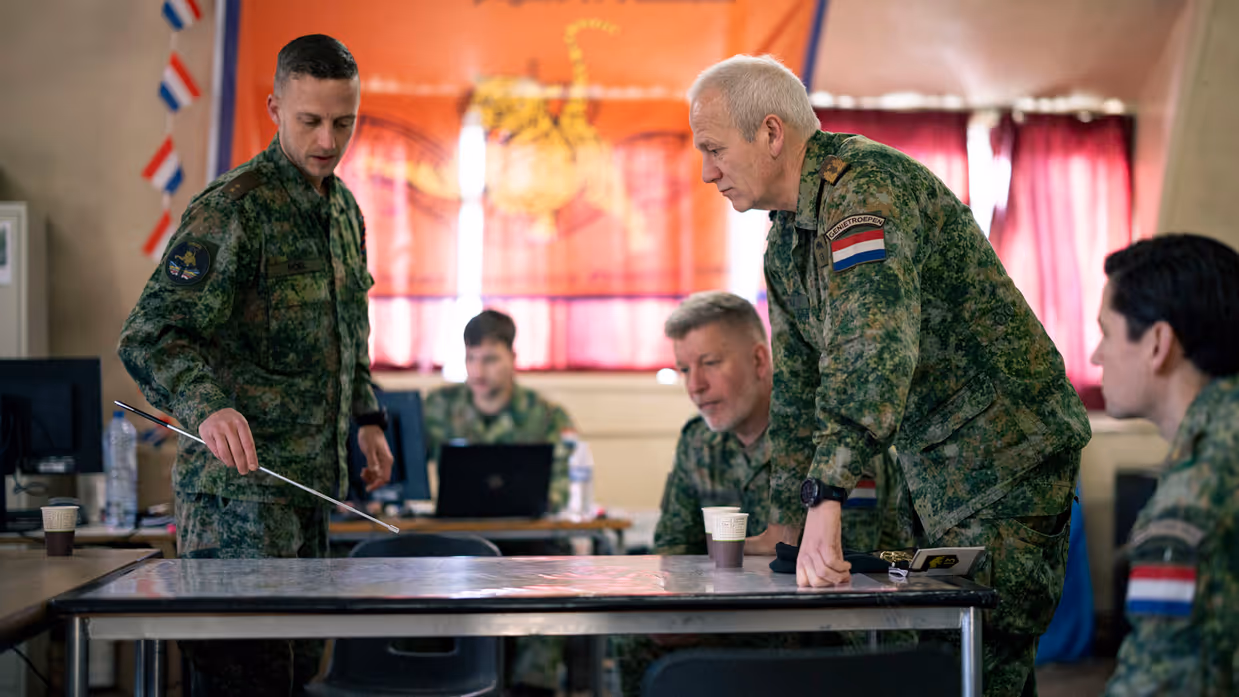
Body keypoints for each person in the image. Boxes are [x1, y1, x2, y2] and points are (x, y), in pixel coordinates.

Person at [687, 55, 1091, 696]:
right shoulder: (786, 239)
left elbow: (871, 353)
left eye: (713, 149)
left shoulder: (866, 196)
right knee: (934, 657)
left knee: (981, 656)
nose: (706, 171)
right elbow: (798, 388)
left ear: (770, 133)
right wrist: (791, 518)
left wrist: (827, 496)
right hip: (932, 469)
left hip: (1003, 462)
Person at [118, 35, 392, 696]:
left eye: (343, 122)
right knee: (246, 681)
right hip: (237, 502)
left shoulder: (343, 211)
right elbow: (150, 333)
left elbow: (347, 333)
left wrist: (367, 418)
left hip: (309, 498)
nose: (328, 139)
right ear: (274, 107)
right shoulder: (234, 207)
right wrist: (208, 403)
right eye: (310, 121)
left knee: (301, 676)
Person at [616, 291, 911, 694]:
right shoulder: (697, 444)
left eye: (710, 363)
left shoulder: (835, 444)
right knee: (633, 639)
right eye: (684, 369)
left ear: (759, 360)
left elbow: (845, 568)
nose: (695, 386)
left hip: (834, 632)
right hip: (729, 627)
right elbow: (673, 552)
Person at [1092, 235, 1239, 696]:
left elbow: (1161, 683)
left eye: (1106, 333)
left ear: (1158, 342)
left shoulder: (1191, 500)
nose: (1096, 355)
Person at [422, 308, 577, 696]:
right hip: (455, 547)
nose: (479, 369)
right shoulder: (438, 408)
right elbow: (401, 472)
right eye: (471, 358)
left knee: (555, 567)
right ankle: (431, 680)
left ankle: (533, 686)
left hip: (524, 546)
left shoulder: (545, 415)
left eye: (490, 358)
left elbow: (562, 486)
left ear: (513, 360)